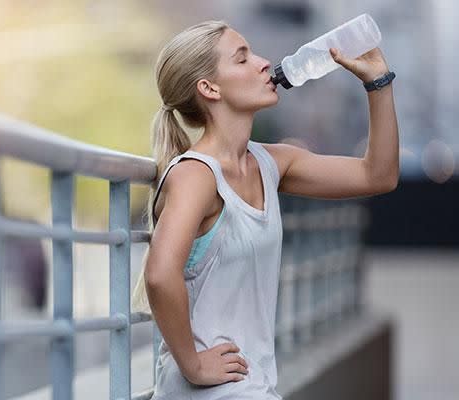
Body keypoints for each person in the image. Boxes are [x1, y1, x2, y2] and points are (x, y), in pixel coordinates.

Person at [131, 20, 398, 399]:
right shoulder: (196, 175)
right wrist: (193, 363)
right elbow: (159, 274)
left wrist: (378, 83)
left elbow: (379, 176)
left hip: (251, 388)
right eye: (242, 59)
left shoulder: (273, 163)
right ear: (209, 88)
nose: (263, 63)